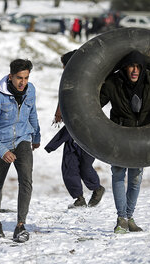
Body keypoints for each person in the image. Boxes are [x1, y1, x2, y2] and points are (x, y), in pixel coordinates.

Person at [99, 51, 150, 234]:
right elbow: (95, 104)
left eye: (138, 67)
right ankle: (122, 218)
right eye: (131, 66)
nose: (135, 70)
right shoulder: (113, 83)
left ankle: (129, 217)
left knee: (136, 178)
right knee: (119, 174)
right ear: (125, 68)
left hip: (143, 135)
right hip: (120, 135)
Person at [0, 59, 41, 243]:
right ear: (10, 77)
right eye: (19, 78)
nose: (23, 82)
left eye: (26, 78)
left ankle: (20, 225)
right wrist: (1, 150)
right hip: (1, 142)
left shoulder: (30, 90)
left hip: (23, 139)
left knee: (26, 180)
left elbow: (32, 113)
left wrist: (36, 136)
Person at [45, 50, 105, 209]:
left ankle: (97, 189)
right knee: (69, 166)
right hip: (71, 131)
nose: (64, 69)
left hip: (88, 132)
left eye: (65, 65)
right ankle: (79, 198)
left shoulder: (89, 81)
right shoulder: (66, 81)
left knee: (85, 166)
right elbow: (63, 97)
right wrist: (59, 112)